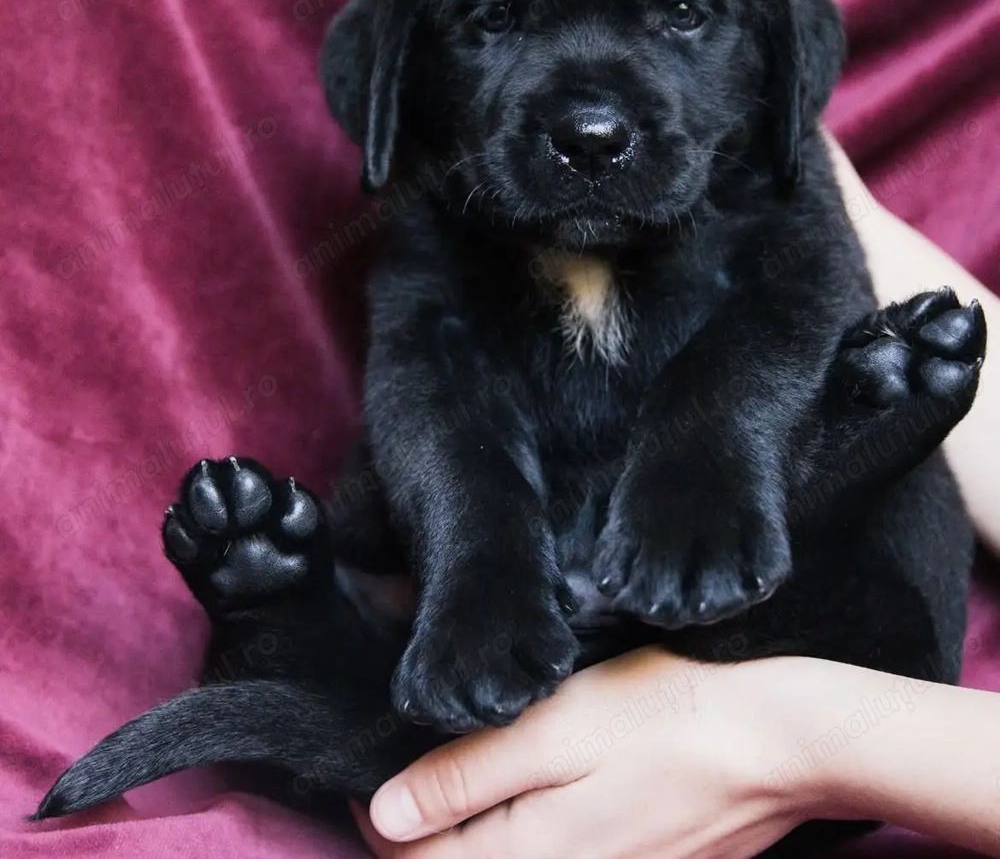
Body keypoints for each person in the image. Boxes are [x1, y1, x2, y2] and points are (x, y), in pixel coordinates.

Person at [351, 134, 1000, 859]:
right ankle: (842, 442)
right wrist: (823, 195)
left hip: (808, 656)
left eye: (684, 12)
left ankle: (841, 451)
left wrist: (815, 742)